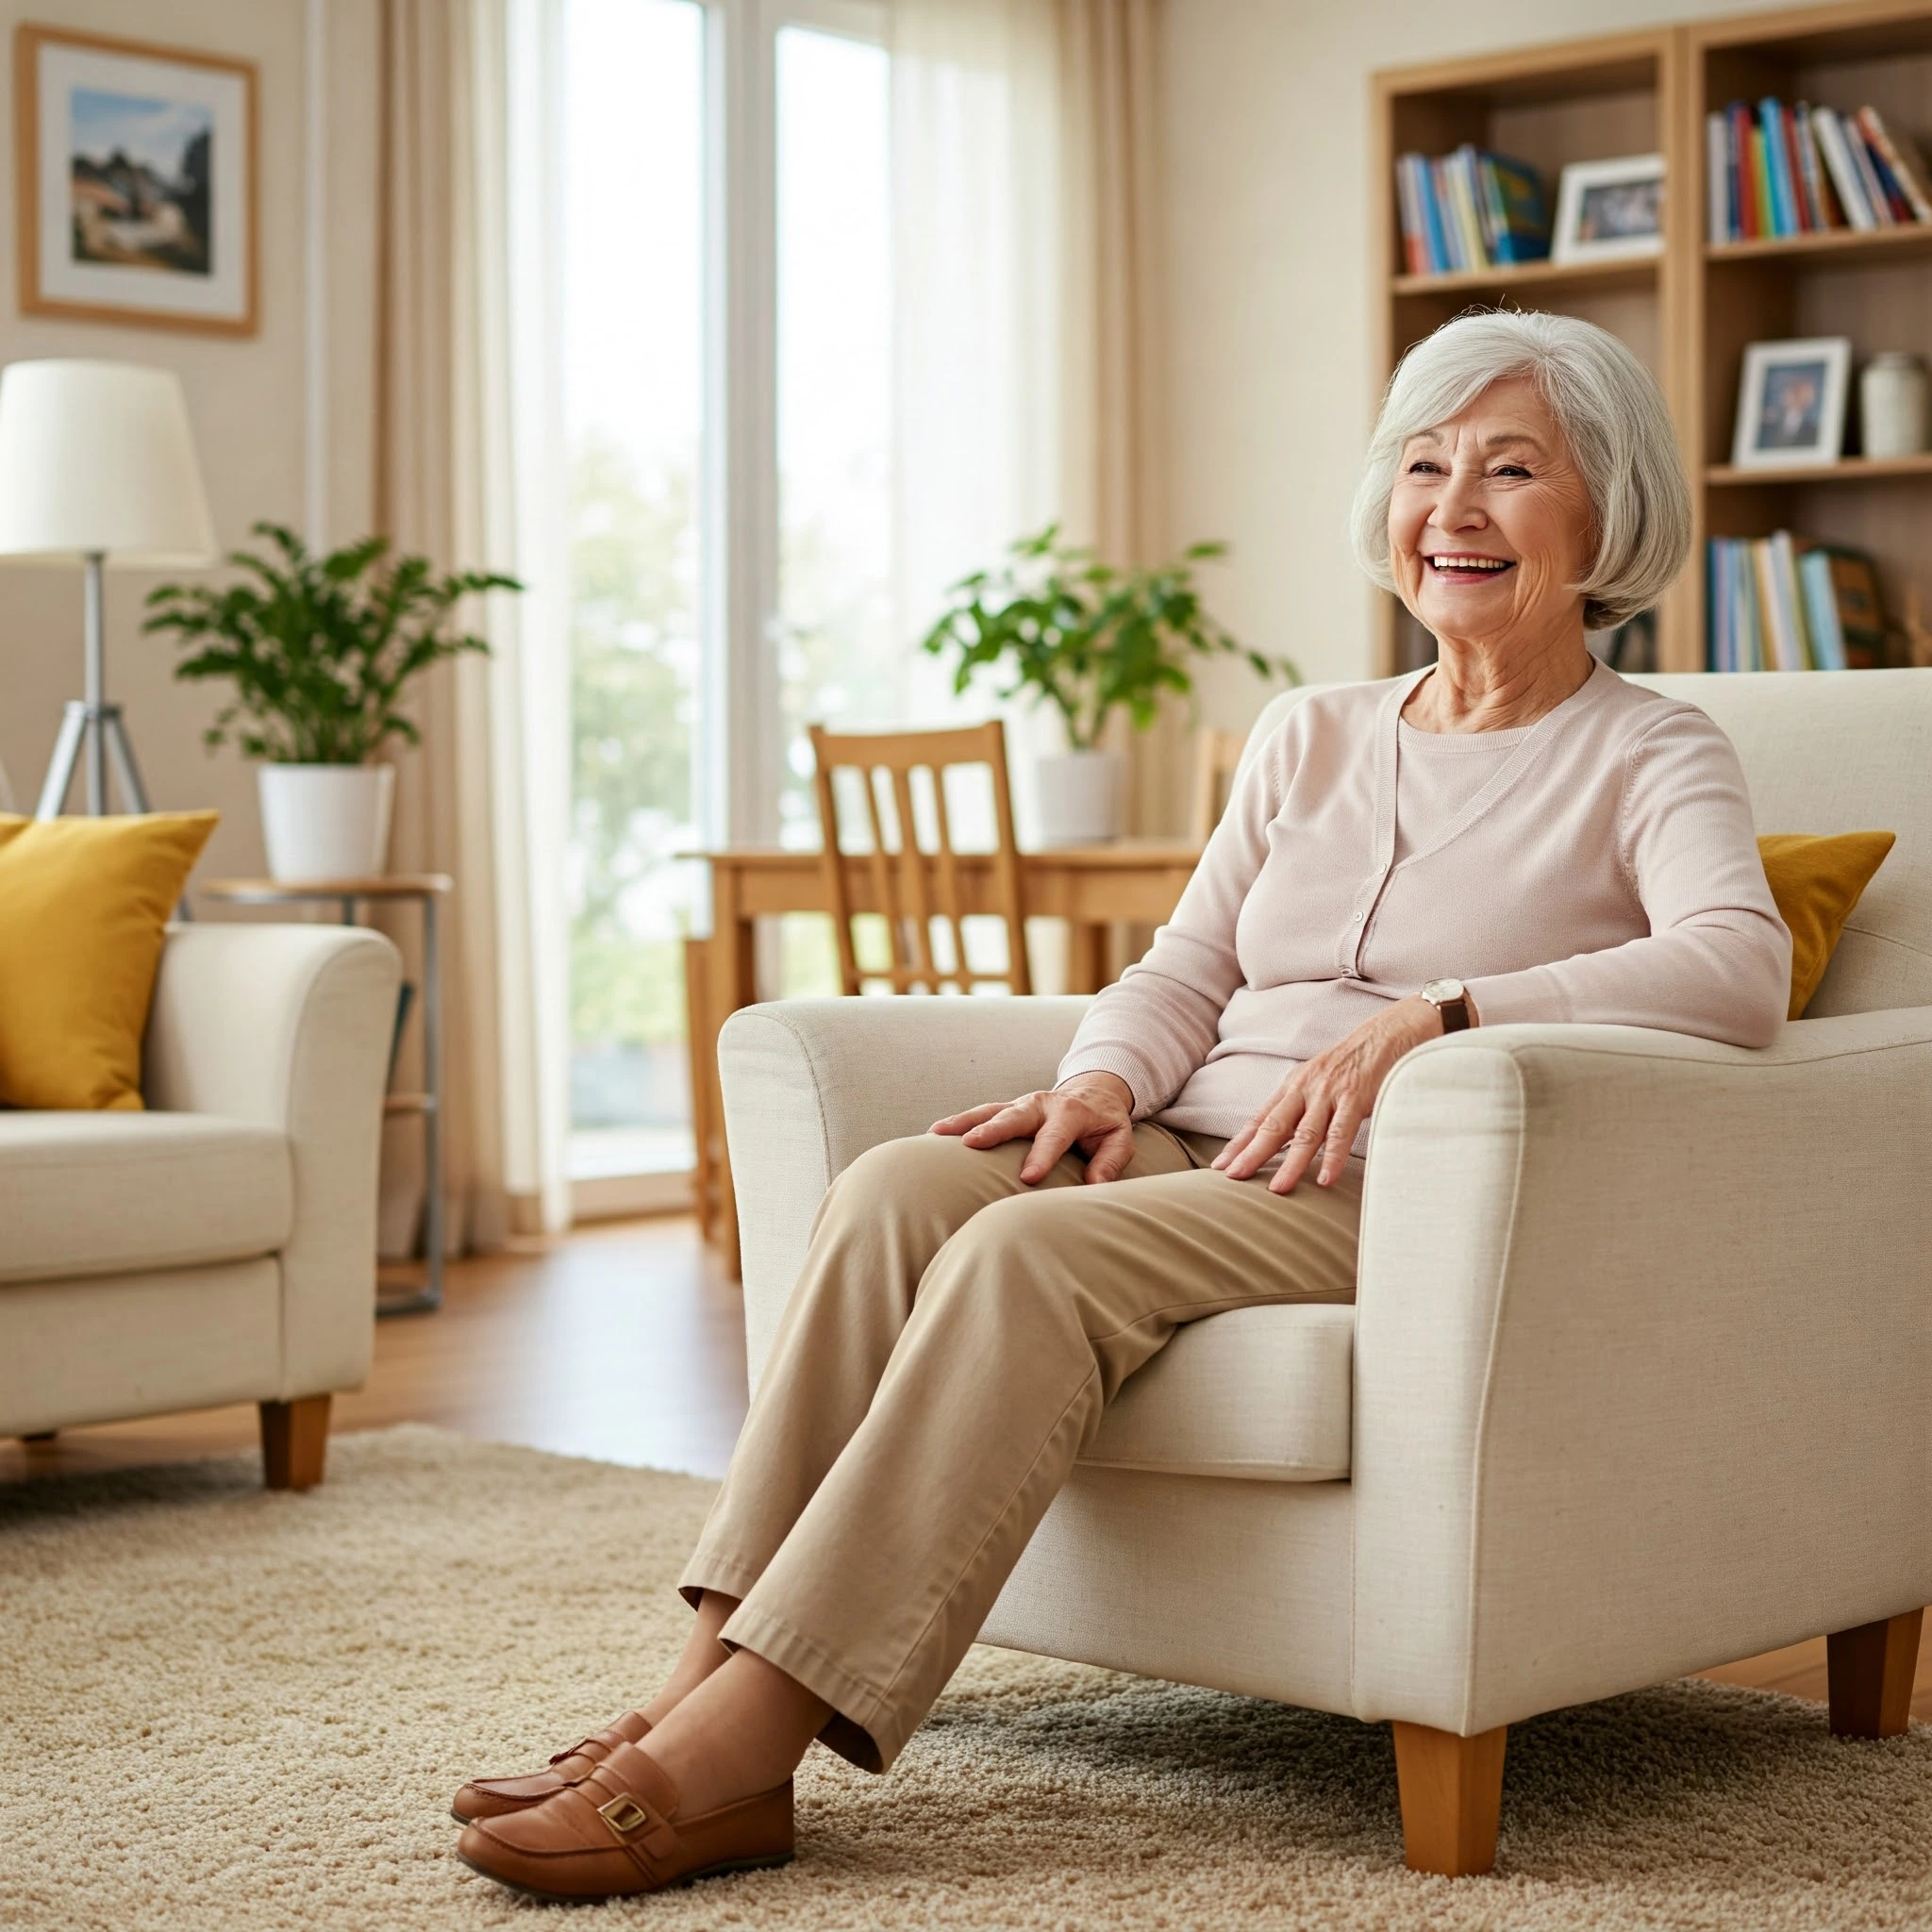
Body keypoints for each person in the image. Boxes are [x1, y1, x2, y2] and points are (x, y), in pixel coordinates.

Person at [452, 309, 1791, 1902]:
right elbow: (1188, 962)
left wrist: (1438, 1019)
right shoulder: (1311, 732)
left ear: (1609, 509)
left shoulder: (1650, 751)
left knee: (1032, 1260)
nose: (1456, 508)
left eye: (1513, 471)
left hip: (1376, 1180)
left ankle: (743, 1745)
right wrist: (1099, 1084)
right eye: (1427, 466)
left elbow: (1737, 969)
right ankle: (687, 1691)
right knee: (896, 1189)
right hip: (1190, 1132)